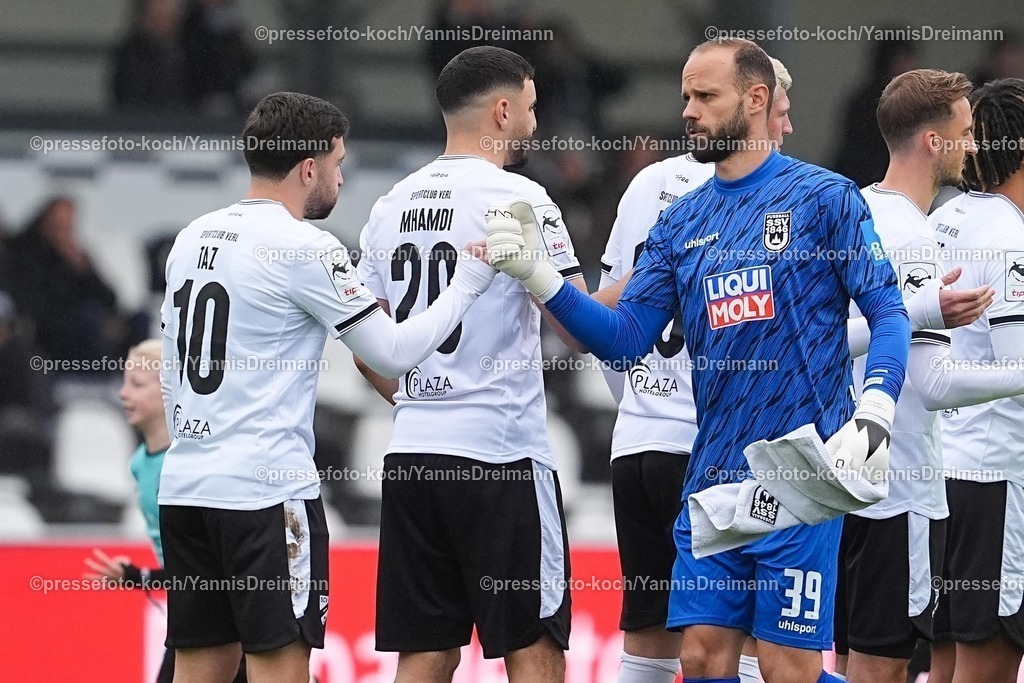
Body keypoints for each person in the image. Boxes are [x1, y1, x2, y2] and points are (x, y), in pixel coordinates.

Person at [486, 37, 912, 683]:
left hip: (799, 465)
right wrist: (541, 277)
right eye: (686, 95)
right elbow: (626, 336)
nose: (688, 110)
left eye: (705, 96)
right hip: (711, 472)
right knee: (702, 655)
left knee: (785, 665)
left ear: (757, 98)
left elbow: (888, 311)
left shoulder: (825, 198)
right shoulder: (682, 220)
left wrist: (876, 409)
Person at [158, 91, 498, 683]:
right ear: (308, 167)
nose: (340, 179)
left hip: (187, 487)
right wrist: (468, 281)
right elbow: (389, 351)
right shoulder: (307, 247)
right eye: (338, 164)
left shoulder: (192, 237)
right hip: (266, 495)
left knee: (199, 670)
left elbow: (170, 367)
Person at [354, 46, 588, 683]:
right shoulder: (521, 199)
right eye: (532, 109)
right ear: (504, 109)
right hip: (501, 456)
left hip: (413, 454)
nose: (535, 126)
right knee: (533, 643)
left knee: (427, 650)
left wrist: (417, 399)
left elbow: (366, 344)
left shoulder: (389, 205)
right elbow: (577, 326)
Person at [596, 55, 793, 683]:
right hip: (716, 451)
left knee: (647, 637)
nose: (789, 128)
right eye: (785, 112)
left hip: (639, 442)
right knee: (754, 640)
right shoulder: (772, 197)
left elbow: (610, 320)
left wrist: (638, 398)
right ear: (757, 103)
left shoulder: (645, 186)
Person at [832, 69, 1024, 683]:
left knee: (870, 660)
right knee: (889, 667)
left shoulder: (858, 208)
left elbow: (829, 341)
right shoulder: (925, 235)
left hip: (858, 472)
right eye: (964, 133)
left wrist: (914, 314)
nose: (972, 146)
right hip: (915, 480)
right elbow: (936, 384)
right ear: (935, 141)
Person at [927, 78, 1024, 683]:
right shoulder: (1011, 240)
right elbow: (1019, 374)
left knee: (944, 664)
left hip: (938, 479)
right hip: (997, 483)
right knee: (987, 664)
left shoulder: (941, 220)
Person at [82, 340, 247, 683]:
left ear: (171, 387)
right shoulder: (140, 464)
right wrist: (144, 576)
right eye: (125, 383)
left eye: (138, 385)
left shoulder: (194, 463)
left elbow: (211, 567)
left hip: (226, 614)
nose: (123, 394)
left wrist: (143, 577)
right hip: (193, 607)